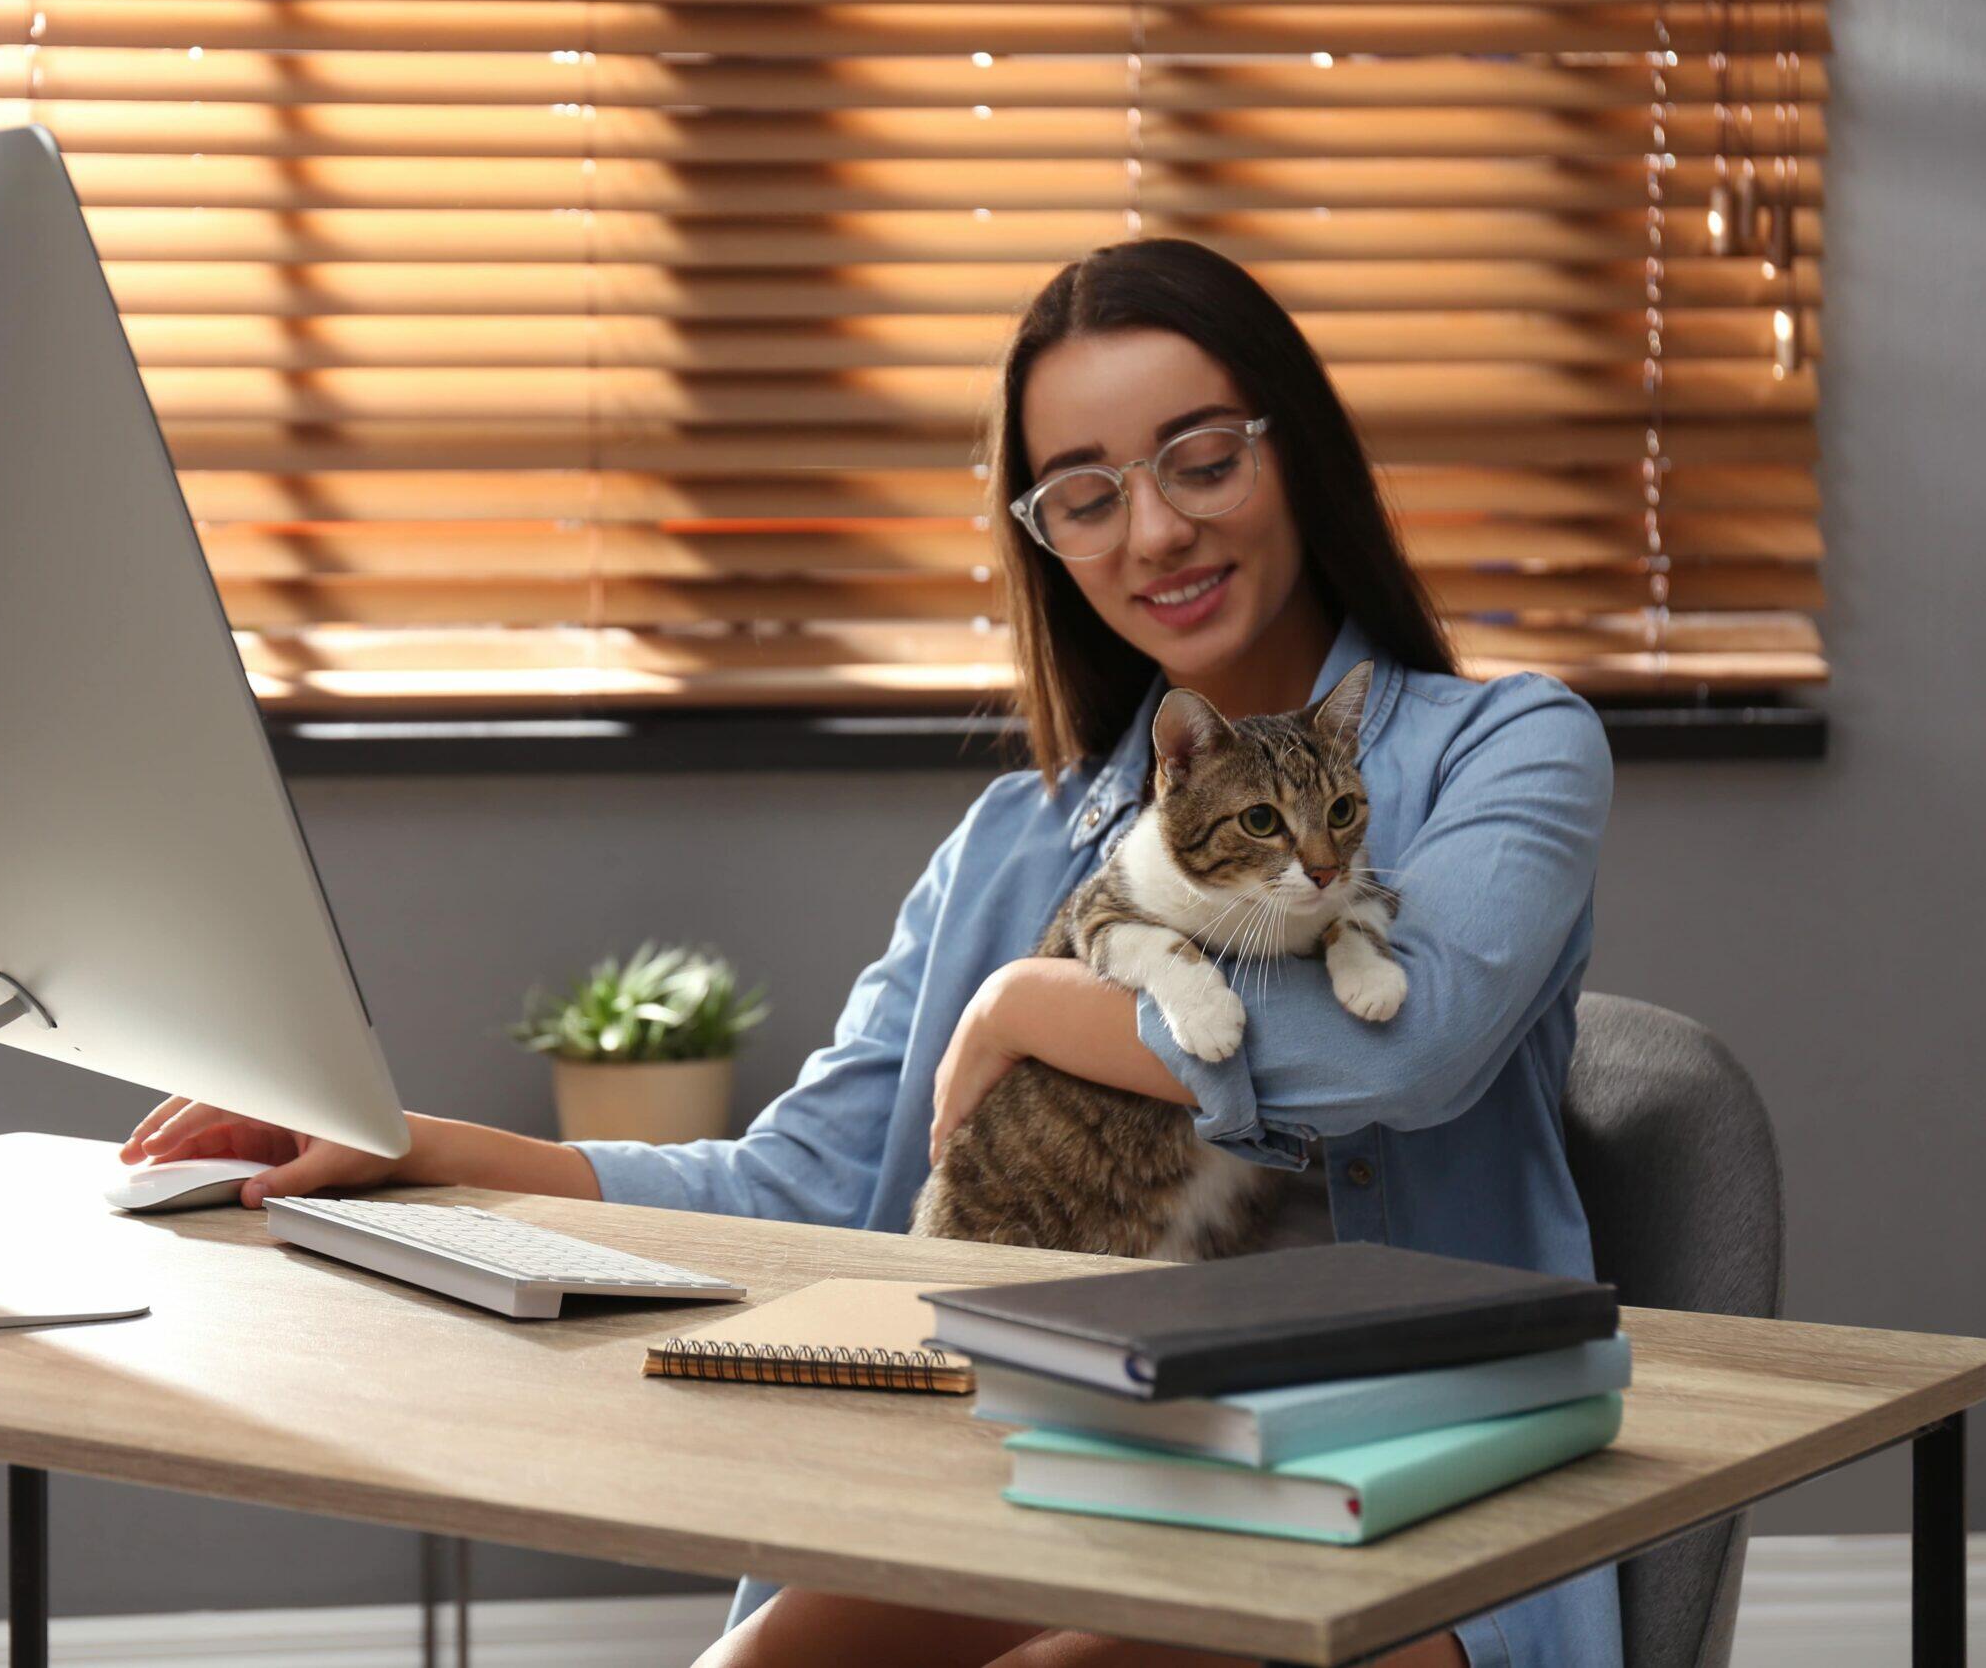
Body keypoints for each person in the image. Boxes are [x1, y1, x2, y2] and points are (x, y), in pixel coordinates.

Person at [118, 237, 1620, 1668]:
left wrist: (1035, 1006)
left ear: (1297, 453)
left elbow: (1405, 1050)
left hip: (1401, 1492)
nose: (1155, 531)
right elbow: (798, 1191)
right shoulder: (1012, 840)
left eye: (1202, 459)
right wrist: (404, 1148)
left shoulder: (1510, 750)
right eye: (1084, 496)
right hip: (1066, 1466)